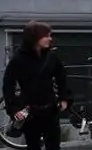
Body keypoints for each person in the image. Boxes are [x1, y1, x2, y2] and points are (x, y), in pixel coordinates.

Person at [2, 21, 72, 150]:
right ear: (34, 37)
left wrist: (64, 98)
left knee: (54, 145)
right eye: (46, 35)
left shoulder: (51, 57)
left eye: (50, 35)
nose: (50, 39)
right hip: (31, 111)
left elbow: (61, 76)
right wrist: (14, 109)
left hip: (50, 108)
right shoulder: (19, 59)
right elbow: (8, 85)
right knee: (33, 145)